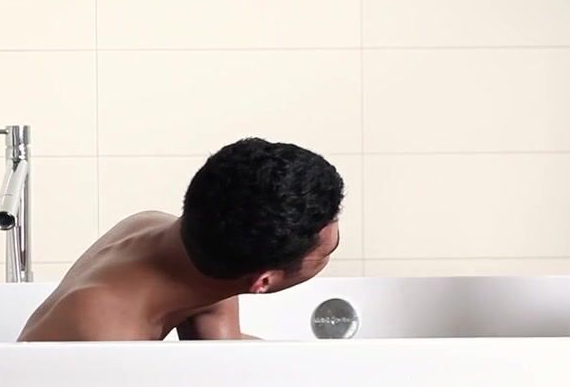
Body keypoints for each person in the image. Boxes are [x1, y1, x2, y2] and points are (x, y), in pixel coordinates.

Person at [19, 137, 344, 341]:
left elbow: (225, 361)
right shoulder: (104, 331)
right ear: (263, 280)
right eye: (331, 248)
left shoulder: (208, 245)